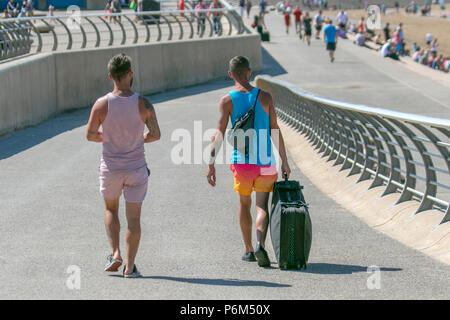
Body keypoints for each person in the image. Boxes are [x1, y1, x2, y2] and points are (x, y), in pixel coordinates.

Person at [206, 56, 291, 267]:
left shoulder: (227, 100)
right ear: (249, 72)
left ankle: (248, 250)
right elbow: (275, 130)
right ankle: (260, 243)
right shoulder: (266, 97)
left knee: (245, 204)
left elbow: (219, 133)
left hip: (242, 163)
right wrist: (285, 161)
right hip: (266, 163)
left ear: (230, 75)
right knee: (262, 206)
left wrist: (210, 163)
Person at [86, 53, 161, 278]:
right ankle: (129, 266)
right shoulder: (144, 103)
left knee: (111, 209)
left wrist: (108, 137)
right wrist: (140, 139)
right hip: (136, 169)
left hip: (110, 168)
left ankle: (115, 253)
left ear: (110, 76)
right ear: (130, 73)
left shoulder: (101, 104)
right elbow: (156, 134)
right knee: (134, 219)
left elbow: (90, 135)